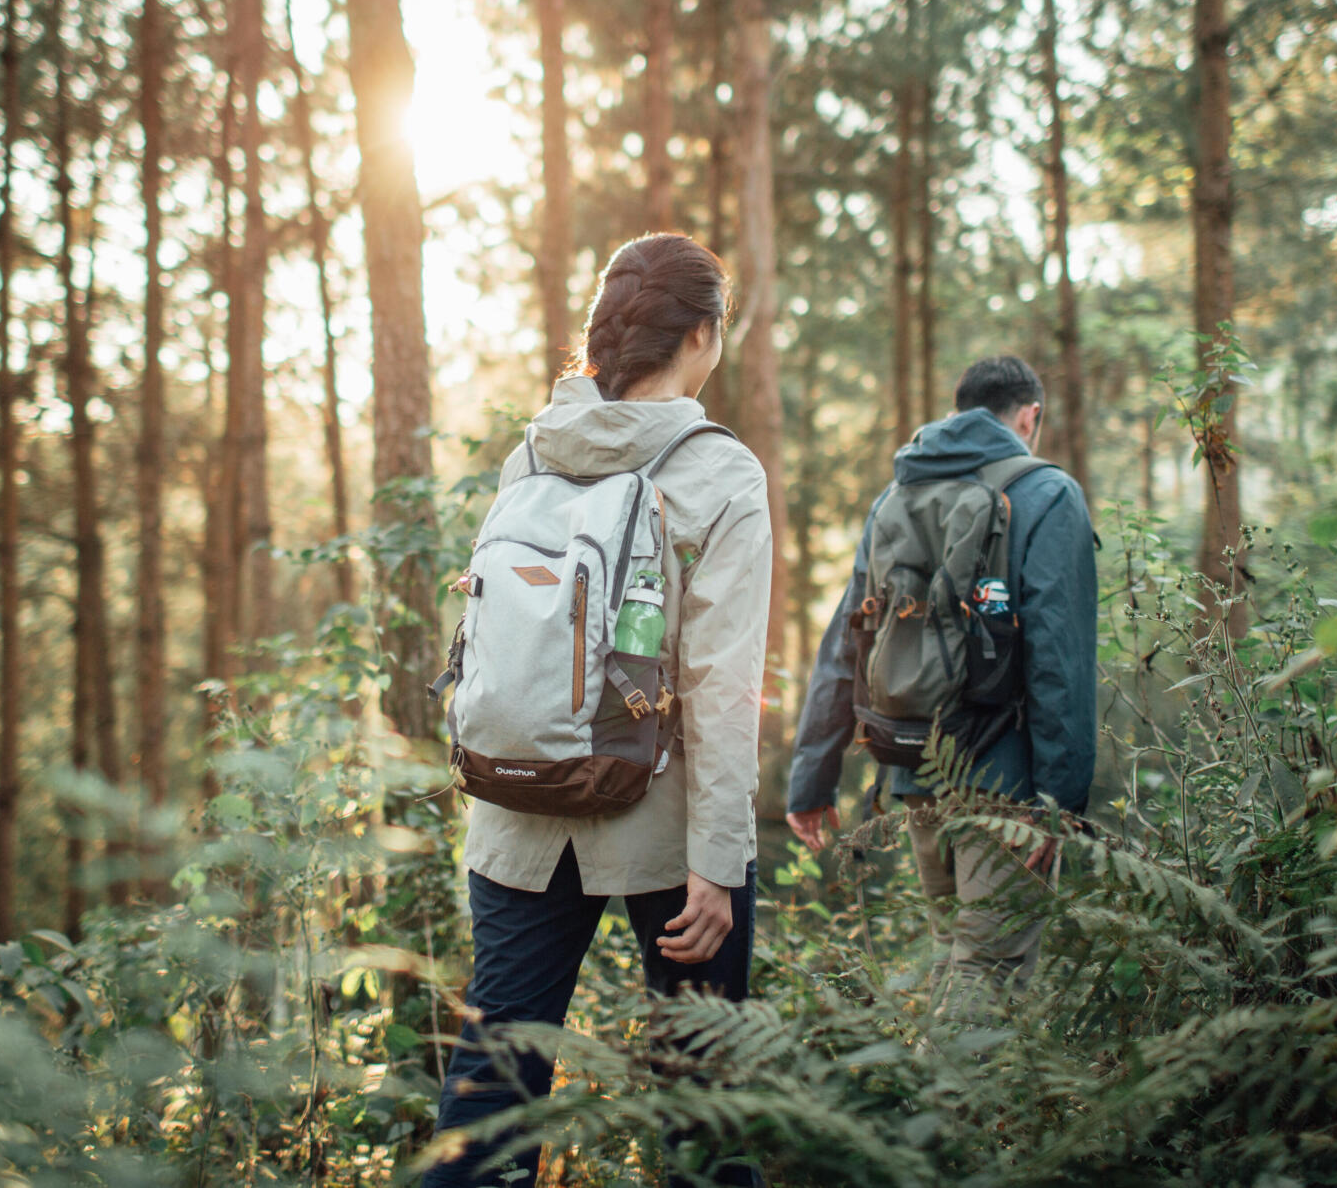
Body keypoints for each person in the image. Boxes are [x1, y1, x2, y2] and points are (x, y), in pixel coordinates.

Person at [424, 233, 772, 1188]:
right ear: (701, 336)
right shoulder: (721, 473)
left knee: (492, 1089)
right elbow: (723, 686)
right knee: (701, 1094)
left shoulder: (530, 451)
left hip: (516, 805)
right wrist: (719, 863)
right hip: (662, 820)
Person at [785, 355, 1097, 1002]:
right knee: (988, 974)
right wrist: (1056, 804)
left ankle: (946, 1095)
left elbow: (848, 642)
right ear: (1028, 416)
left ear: (960, 410)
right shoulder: (1048, 495)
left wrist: (811, 777)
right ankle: (940, 1102)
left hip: (916, 772)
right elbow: (1058, 662)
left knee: (958, 954)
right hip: (1004, 784)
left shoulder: (895, 497)